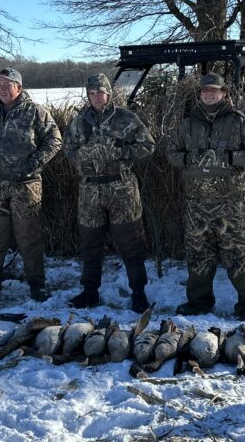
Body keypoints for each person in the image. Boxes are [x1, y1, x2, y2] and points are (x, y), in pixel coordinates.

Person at [167, 72, 245, 320]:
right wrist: (187, 159)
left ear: (224, 93)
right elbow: (171, 153)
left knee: (240, 254)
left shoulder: (239, 121)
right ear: (200, 95)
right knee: (199, 254)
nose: (209, 94)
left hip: (231, 205)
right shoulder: (187, 124)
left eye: (214, 90)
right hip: (197, 205)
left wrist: (233, 158)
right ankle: (200, 302)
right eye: (205, 91)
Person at [0, 68, 62, 305]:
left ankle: (36, 285)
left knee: (29, 237)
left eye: (7, 85)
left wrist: (33, 163)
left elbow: (55, 139)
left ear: (18, 87)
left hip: (25, 185)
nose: (2, 89)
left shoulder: (35, 112)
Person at [64, 73, 156, 313]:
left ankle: (138, 292)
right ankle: (89, 292)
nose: (97, 97)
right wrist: (81, 159)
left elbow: (148, 145)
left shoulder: (126, 118)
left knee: (130, 243)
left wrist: (123, 151)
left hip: (121, 189)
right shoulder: (78, 122)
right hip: (90, 190)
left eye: (101, 92)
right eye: (92, 93)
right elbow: (68, 149)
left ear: (109, 93)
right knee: (90, 244)